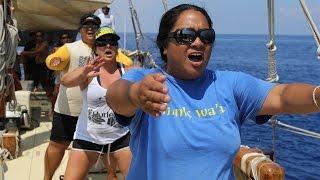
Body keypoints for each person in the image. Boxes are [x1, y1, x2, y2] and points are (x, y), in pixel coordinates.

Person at [105, 4, 320, 180]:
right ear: (164, 46)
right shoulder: (145, 81)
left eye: (206, 36)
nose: (198, 42)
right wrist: (135, 95)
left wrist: (317, 95)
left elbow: (281, 96)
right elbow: (115, 96)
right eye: (185, 35)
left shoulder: (229, 84)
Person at [62, 26, 131, 180]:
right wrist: (83, 72)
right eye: (102, 42)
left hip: (121, 137)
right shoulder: (89, 72)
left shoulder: (129, 71)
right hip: (88, 137)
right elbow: (65, 81)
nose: (108, 45)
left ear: (117, 47)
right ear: (95, 49)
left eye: (112, 42)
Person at [43, 13, 100, 180]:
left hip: (92, 111)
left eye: (94, 26)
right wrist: (53, 60)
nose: (90, 29)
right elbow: (53, 60)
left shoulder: (104, 47)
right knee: (57, 145)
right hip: (68, 108)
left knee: (86, 148)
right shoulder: (70, 48)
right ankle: (47, 178)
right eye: (86, 26)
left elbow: (124, 62)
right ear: (80, 29)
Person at [49, 33, 72, 117]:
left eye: (68, 37)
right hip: (59, 74)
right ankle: (52, 109)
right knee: (55, 93)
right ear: (61, 40)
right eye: (64, 38)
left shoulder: (73, 48)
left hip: (70, 73)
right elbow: (51, 61)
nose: (66, 39)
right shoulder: (56, 49)